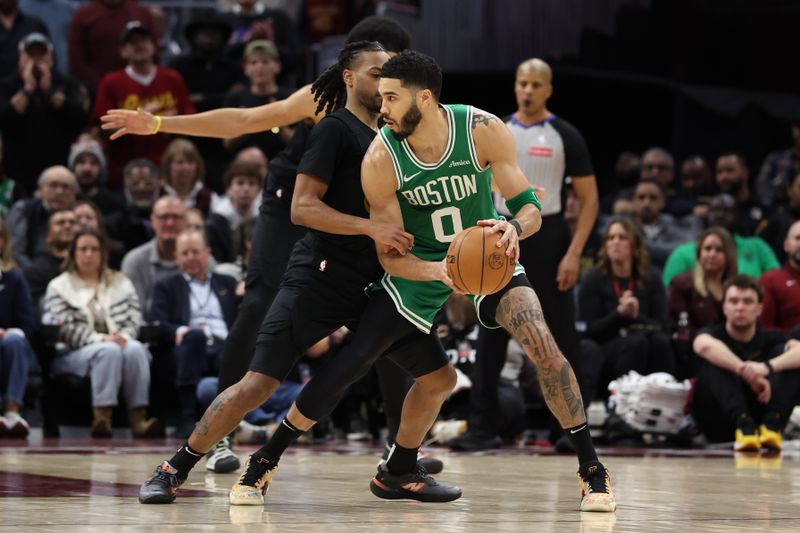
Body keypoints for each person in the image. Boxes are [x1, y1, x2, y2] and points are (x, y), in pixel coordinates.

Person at [101, 16, 416, 474]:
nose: (383, 72)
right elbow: (246, 119)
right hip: (293, 196)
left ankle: (400, 445)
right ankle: (219, 436)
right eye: (375, 63)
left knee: (388, 311)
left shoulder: (403, 112)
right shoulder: (324, 98)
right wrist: (159, 123)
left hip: (354, 208)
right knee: (259, 303)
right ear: (351, 67)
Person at [452, 57, 600, 452]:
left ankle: (567, 431)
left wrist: (573, 253)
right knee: (491, 331)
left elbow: (589, 200)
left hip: (548, 237)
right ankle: (482, 426)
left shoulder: (565, 134)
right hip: (499, 231)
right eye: (522, 83)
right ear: (515, 86)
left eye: (536, 84)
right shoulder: (495, 130)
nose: (528, 90)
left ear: (548, 89)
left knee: (559, 335)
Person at [42, 227, 161, 438]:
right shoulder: (59, 286)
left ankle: (138, 419)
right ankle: (102, 418)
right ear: (73, 253)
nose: (88, 254)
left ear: (103, 253)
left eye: (94, 249)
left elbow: (135, 317)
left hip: (119, 343)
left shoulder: (121, 282)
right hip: (74, 353)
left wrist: (123, 337)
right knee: (108, 351)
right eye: (83, 249)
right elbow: (65, 328)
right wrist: (102, 339)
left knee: (135, 349)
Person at [692, 275, 800, 451]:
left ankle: (772, 424)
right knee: (715, 359)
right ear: (724, 307)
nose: (740, 307)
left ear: (759, 309)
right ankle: (743, 424)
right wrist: (745, 372)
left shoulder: (771, 338)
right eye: (734, 301)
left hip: (760, 419)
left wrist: (766, 367)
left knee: (787, 357)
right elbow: (702, 345)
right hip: (721, 422)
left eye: (748, 302)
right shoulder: (712, 333)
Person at [148, 229, 239, 437]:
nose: (191, 258)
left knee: (236, 347)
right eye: (185, 253)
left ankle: (235, 419)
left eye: (195, 252)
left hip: (223, 345)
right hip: (188, 347)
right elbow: (156, 322)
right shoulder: (166, 286)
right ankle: (187, 417)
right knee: (195, 336)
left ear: (207, 253)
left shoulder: (227, 283)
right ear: (176, 258)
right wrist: (179, 330)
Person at [577, 218, 673, 403]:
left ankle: (665, 404)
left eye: (622, 237)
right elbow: (587, 330)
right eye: (610, 238)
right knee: (636, 344)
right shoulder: (594, 279)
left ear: (634, 245)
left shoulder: (651, 278)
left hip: (645, 340)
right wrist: (619, 315)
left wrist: (636, 317)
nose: (615, 242)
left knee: (661, 342)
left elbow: (663, 326)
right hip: (607, 344)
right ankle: (621, 403)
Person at [92, 20, 195, 188]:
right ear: (122, 51)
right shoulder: (111, 82)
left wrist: (166, 121)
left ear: (153, 46)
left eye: (143, 41)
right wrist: (135, 117)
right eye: (132, 43)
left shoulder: (172, 78)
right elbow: (102, 126)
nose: (139, 45)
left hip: (168, 168)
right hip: (124, 169)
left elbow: (191, 120)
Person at [0, 32, 85, 193]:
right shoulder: (6, 86)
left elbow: (79, 117)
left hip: (59, 171)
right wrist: (27, 90)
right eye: (31, 54)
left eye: (41, 54)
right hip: (18, 173)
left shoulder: (67, 83)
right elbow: (4, 117)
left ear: (51, 58)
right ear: (21, 58)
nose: (36, 60)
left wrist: (49, 91)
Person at [662, 193, 780, 287]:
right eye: (716, 210)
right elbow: (669, 291)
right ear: (707, 215)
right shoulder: (683, 253)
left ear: (738, 215)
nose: (721, 215)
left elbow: (777, 282)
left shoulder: (757, 246)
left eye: (727, 211)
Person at [667, 226, 738, 378]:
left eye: (719, 250)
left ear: (729, 255)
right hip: (696, 355)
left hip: (733, 352)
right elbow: (682, 329)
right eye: (707, 249)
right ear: (699, 253)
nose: (712, 254)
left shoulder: (736, 288)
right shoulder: (682, 284)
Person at [222, 39, 294, 161]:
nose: (259, 67)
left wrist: (279, 124)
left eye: (265, 61)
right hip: (246, 166)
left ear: (277, 66)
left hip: (282, 164)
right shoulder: (235, 97)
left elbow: (299, 144)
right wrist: (246, 125)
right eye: (253, 62)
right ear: (245, 68)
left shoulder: (290, 98)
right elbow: (227, 143)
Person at [67, 0, 155, 96]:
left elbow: (155, 49)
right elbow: (77, 62)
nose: (138, 45)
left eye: (140, 41)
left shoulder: (140, 12)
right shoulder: (83, 16)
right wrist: (104, 87)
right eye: (133, 42)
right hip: (100, 92)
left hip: (146, 90)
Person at [0, 218, 36, 438]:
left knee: (16, 341)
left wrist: (5, 332)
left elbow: (27, 325)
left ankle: (13, 411)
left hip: (7, 346)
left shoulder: (14, 278)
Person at [121, 196, 187, 311]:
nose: (170, 223)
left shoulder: (202, 260)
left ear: (185, 222)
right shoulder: (134, 262)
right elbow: (135, 312)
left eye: (176, 217)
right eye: (164, 217)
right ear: (152, 221)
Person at [6, 165, 78, 271]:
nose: (59, 191)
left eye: (65, 187)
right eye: (53, 185)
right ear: (40, 189)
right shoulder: (24, 209)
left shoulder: (80, 213)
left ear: (74, 192)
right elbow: (15, 252)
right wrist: (37, 274)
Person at [22, 208, 77, 311]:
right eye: (60, 223)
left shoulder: (92, 266)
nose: (68, 226)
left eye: (73, 222)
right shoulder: (36, 270)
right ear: (47, 235)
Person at [760, 220, 800, 334]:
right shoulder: (770, 280)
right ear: (786, 245)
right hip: (788, 346)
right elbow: (764, 330)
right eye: (798, 238)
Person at [160, 138, 213, 217]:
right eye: (180, 162)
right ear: (168, 165)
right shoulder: (158, 193)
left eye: (190, 162)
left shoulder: (209, 197)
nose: (186, 168)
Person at [756, 120, 800, 209]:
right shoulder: (775, 159)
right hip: (781, 212)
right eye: (799, 127)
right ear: (794, 130)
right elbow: (762, 189)